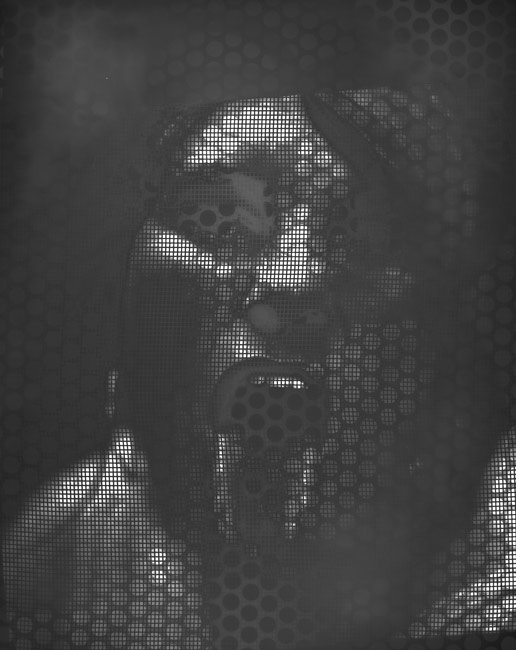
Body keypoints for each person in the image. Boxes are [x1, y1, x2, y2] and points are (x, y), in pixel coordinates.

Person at [3, 87, 513, 649]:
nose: (288, 280)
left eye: (349, 234)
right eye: (220, 219)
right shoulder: (71, 542)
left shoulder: (501, 555)